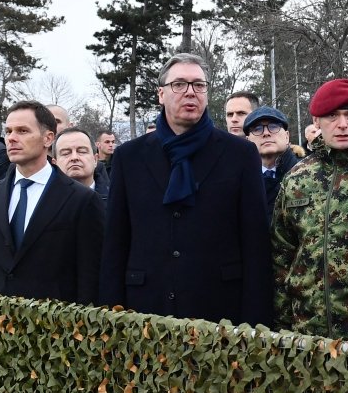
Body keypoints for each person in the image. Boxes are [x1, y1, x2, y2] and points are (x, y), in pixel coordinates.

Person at [100, 53, 273, 325]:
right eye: (179, 84)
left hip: (220, 311)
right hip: (144, 310)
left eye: (199, 85)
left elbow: (255, 244)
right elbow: (116, 241)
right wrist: (112, 315)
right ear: (161, 94)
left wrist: (255, 323)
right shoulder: (129, 157)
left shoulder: (240, 154)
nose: (190, 92)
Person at [271, 79, 348, 341]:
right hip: (307, 332)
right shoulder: (298, 178)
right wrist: (283, 325)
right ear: (316, 121)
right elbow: (282, 254)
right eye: (332, 116)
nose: (343, 124)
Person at [0, 102, 104, 304]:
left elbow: (90, 276)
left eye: (22, 131)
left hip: (55, 326)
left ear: (48, 138)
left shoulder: (81, 199)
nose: (12, 138)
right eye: (8, 131)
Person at [244, 106, 299, 224]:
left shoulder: (307, 173)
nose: (266, 133)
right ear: (247, 140)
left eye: (274, 126)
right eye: (257, 129)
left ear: (287, 136)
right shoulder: (238, 179)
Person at [56, 128, 109, 199]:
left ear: (95, 159)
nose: (74, 157)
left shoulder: (117, 200)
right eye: (66, 153)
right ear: (55, 163)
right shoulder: (42, 200)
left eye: (82, 151)